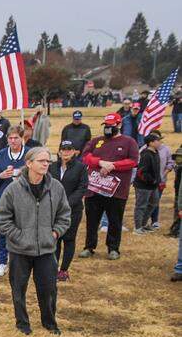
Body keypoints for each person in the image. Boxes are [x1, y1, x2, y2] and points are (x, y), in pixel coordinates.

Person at [0, 147, 71, 336]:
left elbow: (65, 215)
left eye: (48, 161)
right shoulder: (13, 189)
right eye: (41, 161)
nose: (46, 164)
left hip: (46, 250)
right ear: (29, 163)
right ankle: (22, 323)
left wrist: (54, 233)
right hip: (20, 250)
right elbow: (2, 219)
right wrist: (19, 236)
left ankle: (49, 323)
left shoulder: (56, 188)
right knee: (18, 290)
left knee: (48, 290)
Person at [80, 113, 139, 260]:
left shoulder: (129, 142)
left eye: (111, 126)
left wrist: (113, 165)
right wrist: (99, 162)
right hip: (94, 188)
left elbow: (133, 161)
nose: (108, 128)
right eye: (106, 125)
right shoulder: (96, 141)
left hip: (117, 190)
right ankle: (89, 246)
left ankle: (113, 248)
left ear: (119, 125)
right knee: (92, 220)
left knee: (115, 220)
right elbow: (85, 156)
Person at [0, 126, 29, 276]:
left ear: (22, 138)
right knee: (3, 230)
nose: (13, 141)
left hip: (26, 200)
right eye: (10, 138)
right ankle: (2, 261)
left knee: (23, 230)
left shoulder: (30, 154)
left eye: (16, 137)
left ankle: (22, 262)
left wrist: (24, 176)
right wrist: (0, 176)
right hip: (4, 199)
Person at [52, 140, 88, 281]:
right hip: (54, 210)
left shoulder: (80, 167)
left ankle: (64, 270)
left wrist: (66, 203)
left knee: (69, 238)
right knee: (55, 239)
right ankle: (53, 268)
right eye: (63, 149)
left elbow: (82, 188)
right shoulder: (52, 167)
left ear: (74, 152)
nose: (66, 152)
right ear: (59, 152)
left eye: (69, 149)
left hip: (73, 210)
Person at [132, 132, 163, 234]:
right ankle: (137, 228)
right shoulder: (146, 155)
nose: (160, 142)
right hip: (143, 186)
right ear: (151, 143)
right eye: (158, 141)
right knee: (141, 205)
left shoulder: (156, 152)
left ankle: (143, 224)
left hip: (153, 185)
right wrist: (151, 180)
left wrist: (157, 181)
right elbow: (141, 172)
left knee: (153, 203)